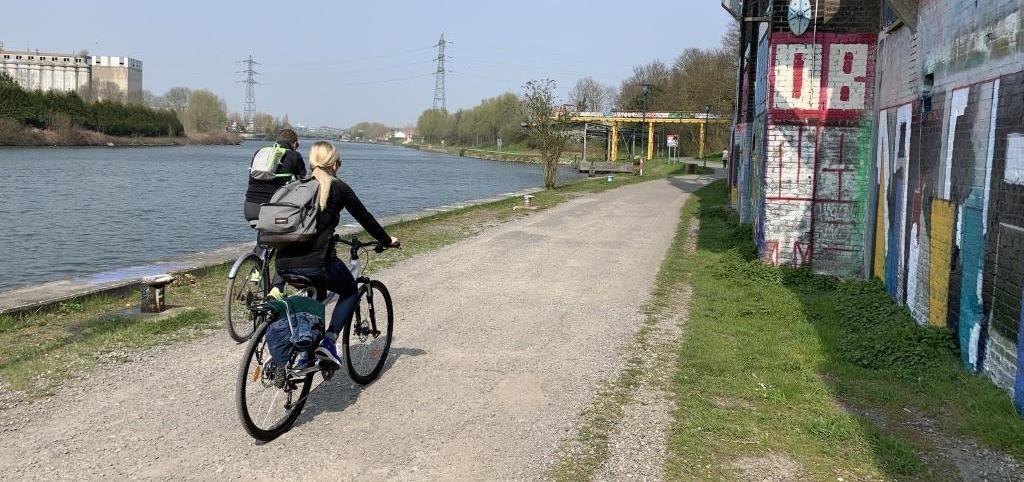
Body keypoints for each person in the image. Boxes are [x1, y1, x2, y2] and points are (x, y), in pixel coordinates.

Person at [275, 141, 399, 368]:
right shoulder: (337, 188)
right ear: (333, 165)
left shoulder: (297, 185)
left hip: (283, 265)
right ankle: (329, 342)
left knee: (316, 298)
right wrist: (386, 240)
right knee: (350, 290)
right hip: (317, 264)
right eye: (338, 164)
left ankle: (305, 353)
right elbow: (365, 217)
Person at [244, 128, 307, 225]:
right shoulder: (294, 155)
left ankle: (262, 240)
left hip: (250, 209)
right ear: (294, 144)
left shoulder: (260, 153)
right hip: (275, 211)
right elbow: (304, 183)